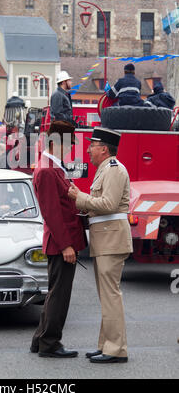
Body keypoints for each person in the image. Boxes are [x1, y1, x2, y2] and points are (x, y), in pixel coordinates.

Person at [68, 127, 133, 364]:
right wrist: (84, 203)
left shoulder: (114, 170)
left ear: (104, 149)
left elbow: (109, 204)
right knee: (107, 296)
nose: (88, 150)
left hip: (111, 240)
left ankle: (116, 349)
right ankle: (107, 345)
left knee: (110, 296)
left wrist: (80, 198)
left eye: (92, 145)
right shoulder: (105, 169)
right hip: (106, 239)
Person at [30, 120, 87, 358]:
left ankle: (40, 339)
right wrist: (66, 245)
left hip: (62, 241)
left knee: (56, 292)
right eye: (68, 144)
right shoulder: (47, 170)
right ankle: (50, 343)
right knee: (59, 295)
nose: (71, 149)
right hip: (61, 243)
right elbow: (52, 214)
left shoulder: (52, 167)